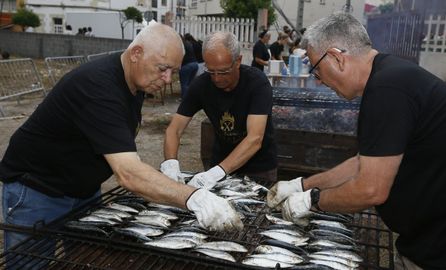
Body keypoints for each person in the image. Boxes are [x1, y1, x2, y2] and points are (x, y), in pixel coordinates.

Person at [0, 23, 243, 255]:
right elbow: (128, 173)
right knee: (33, 263)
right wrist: (193, 197)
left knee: (85, 258)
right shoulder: (98, 87)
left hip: (83, 189)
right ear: (136, 53)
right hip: (37, 190)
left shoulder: (134, 82)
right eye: (162, 68)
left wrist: (164, 176)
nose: (168, 79)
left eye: (174, 72)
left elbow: (120, 145)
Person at [267, 13, 446, 270]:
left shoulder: (387, 90)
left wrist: (312, 200)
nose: (318, 80)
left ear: (336, 57)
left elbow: (371, 189)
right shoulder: (391, 77)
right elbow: (362, 164)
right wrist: (301, 185)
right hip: (439, 235)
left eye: (316, 70)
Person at [161, 31, 278, 190]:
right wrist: (170, 165)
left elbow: (255, 139)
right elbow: (174, 129)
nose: (216, 78)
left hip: (259, 167)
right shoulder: (201, 85)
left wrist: (215, 173)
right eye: (211, 71)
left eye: (223, 72)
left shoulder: (257, 83)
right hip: (220, 159)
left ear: (238, 61)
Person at [179, 35, 199, 99]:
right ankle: (191, 98)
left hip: (187, 65)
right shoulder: (188, 43)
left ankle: (185, 99)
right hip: (195, 64)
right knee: (190, 84)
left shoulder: (181, 45)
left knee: (184, 84)